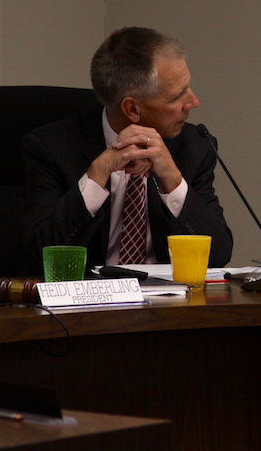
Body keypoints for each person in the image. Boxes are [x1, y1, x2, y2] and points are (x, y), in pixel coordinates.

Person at [22, 26, 232, 276]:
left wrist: (173, 180)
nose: (193, 102)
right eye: (176, 97)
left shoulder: (194, 146)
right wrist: (96, 176)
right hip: (90, 297)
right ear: (132, 109)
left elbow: (218, 256)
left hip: (167, 298)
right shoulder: (51, 147)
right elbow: (39, 258)